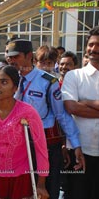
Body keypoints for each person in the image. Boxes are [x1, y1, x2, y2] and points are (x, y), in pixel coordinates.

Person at [6, 39, 85, 199]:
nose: (11, 60)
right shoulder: (9, 80)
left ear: (29, 56)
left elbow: (62, 115)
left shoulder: (48, 82)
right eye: (9, 57)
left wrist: (75, 144)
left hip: (45, 145)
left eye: (16, 56)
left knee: (47, 191)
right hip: (18, 145)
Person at [0, 65, 49, 199]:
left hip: (20, 176)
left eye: (4, 82)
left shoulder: (28, 112)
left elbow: (40, 147)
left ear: (15, 88)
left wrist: (41, 183)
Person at [61, 26, 99, 199]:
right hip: (79, 152)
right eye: (91, 44)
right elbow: (71, 107)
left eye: (98, 45)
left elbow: (78, 106)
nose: (94, 49)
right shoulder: (74, 76)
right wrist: (80, 105)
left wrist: (88, 102)